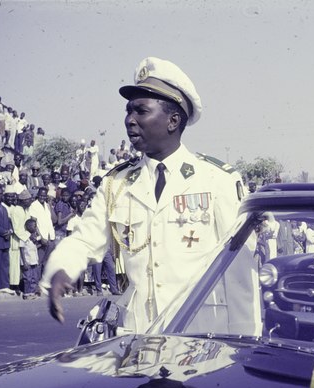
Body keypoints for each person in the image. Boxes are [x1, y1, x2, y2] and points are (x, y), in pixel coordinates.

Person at [43, 57, 248, 332]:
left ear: (173, 120)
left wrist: (244, 343)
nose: (130, 120)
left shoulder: (217, 180)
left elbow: (240, 273)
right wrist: (61, 270)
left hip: (201, 339)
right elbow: (85, 238)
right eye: (128, 111)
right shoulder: (117, 183)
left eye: (141, 111)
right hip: (138, 336)